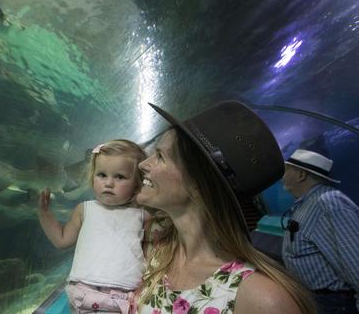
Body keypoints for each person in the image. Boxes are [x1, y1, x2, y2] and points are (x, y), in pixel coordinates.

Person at [134, 100, 315, 314]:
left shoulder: (261, 300)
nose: (142, 164)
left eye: (161, 157)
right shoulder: (155, 251)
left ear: (198, 185)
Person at [38, 139, 149, 313]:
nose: (109, 183)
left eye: (119, 177)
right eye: (102, 175)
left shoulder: (142, 215)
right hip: (82, 294)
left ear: (137, 183)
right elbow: (61, 240)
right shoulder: (84, 209)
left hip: (123, 298)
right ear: (92, 177)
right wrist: (44, 214)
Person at [281, 148, 359, 313]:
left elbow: (355, 260)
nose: (282, 176)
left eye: (287, 171)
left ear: (301, 175)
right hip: (320, 301)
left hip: (336, 304)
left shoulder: (328, 202)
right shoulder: (307, 203)